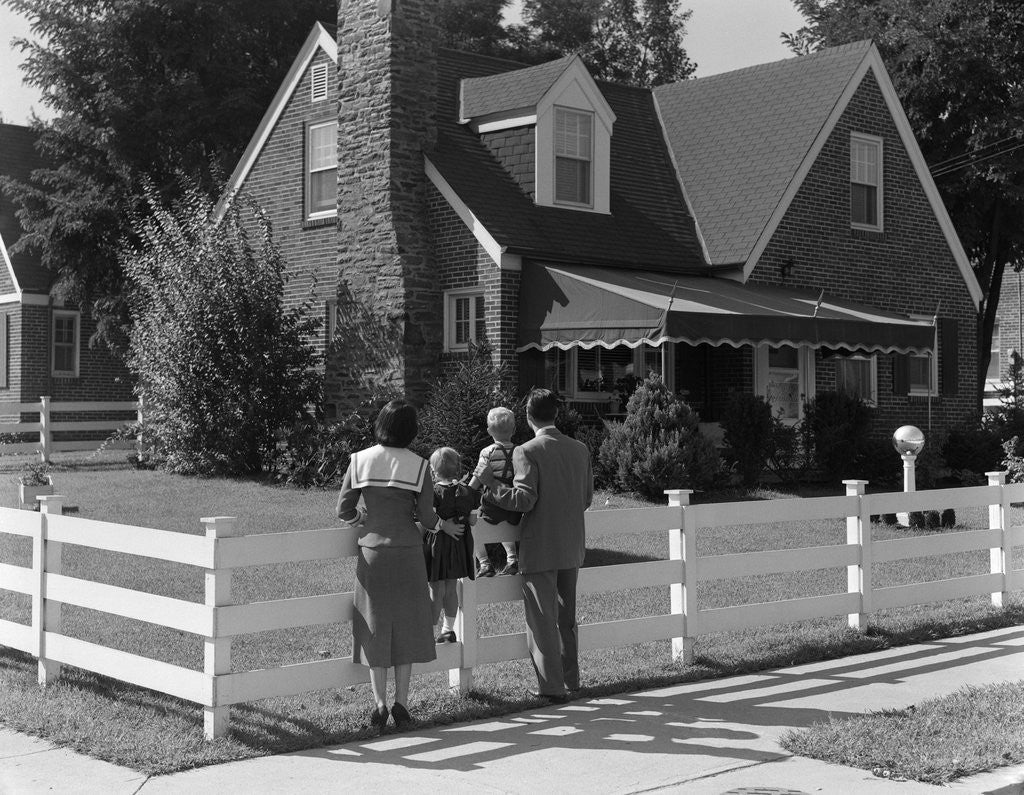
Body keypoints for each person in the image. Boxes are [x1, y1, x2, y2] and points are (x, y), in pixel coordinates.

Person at [336, 399, 459, 732]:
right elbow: (428, 517)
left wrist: (359, 518)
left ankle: (378, 704)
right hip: (407, 551)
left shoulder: (359, 460)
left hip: (373, 550)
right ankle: (401, 703)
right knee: (406, 626)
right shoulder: (419, 466)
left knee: (374, 625)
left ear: (380, 425)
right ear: (411, 429)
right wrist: (439, 526)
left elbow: (343, 508)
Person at [473, 388, 593, 702]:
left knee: (542, 621)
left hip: (540, 546)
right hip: (572, 544)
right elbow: (587, 499)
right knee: (566, 619)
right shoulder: (580, 449)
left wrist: (492, 484)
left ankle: (552, 688)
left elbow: (524, 500)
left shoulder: (526, 451)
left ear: (528, 417)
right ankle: (572, 681)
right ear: (556, 414)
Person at [424, 446, 479, 643]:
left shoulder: (433, 491)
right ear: (457, 468)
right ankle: (448, 629)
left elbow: (428, 518)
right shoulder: (467, 492)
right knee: (451, 587)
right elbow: (473, 521)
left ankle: (428, 633)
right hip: (458, 545)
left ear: (433, 470)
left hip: (438, 544)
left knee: (435, 589)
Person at [470, 406, 522, 577]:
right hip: (512, 502)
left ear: (489, 430)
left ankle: (484, 564)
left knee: (475, 531)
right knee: (506, 529)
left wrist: (466, 492)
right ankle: (512, 559)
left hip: (492, 502)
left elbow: (478, 477)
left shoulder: (487, 452)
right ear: (514, 429)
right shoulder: (519, 451)